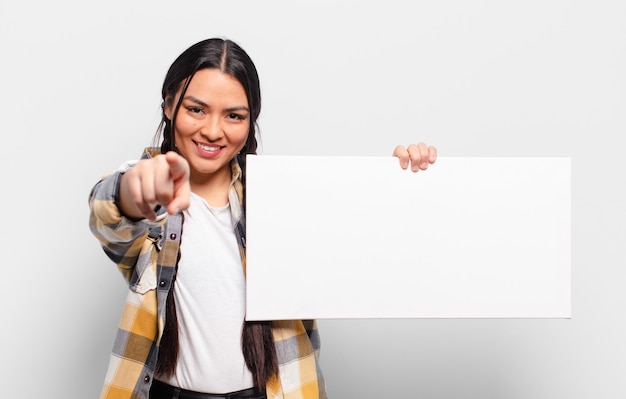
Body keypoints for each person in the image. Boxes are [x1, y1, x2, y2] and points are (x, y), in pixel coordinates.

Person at [89, 37, 437, 399]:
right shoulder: (152, 191)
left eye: (234, 116)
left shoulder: (282, 200)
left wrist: (404, 179)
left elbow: (364, 240)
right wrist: (135, 189)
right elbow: (108, 213)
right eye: (196, 109)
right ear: (169, 105)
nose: (212, 130)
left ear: (250, 120)